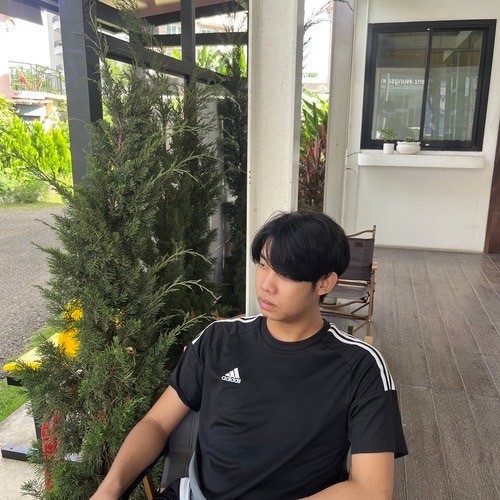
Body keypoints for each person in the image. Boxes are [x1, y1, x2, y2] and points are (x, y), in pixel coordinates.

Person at [92, 211, 407, 500]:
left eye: (286, 273)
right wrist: (109, 489)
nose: (266, 284)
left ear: (324, 282)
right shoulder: (219, 340)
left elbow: (371, 490)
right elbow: (157, 423)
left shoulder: (361, 367)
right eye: (264, 265)